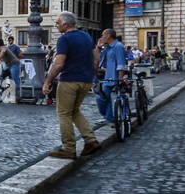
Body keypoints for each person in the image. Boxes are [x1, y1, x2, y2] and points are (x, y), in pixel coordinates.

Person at [44, 12, 101, 160]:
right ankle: (91, 140)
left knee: (63, 113)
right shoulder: (87, 36)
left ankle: (68, 148)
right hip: (86, 80)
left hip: (70, 80)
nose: (56, 25)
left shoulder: (64, 39)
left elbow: (59, 64)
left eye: (57, 23)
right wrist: (91, 75)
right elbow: (96, 58)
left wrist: (48, 80)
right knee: (74, 111)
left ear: (65, 24)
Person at [93, 29, 128, 123]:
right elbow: (99, 59)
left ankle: (113, 117)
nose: (101, 37)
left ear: (108, 35)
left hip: (116, 77)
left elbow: (121, 63)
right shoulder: (107, 47)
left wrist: (121, 78)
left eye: (103, 35)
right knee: (102, 97)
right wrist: (99, 48)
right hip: (107, 77)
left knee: (108, 97)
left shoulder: (118, 46)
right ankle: (108, 117)